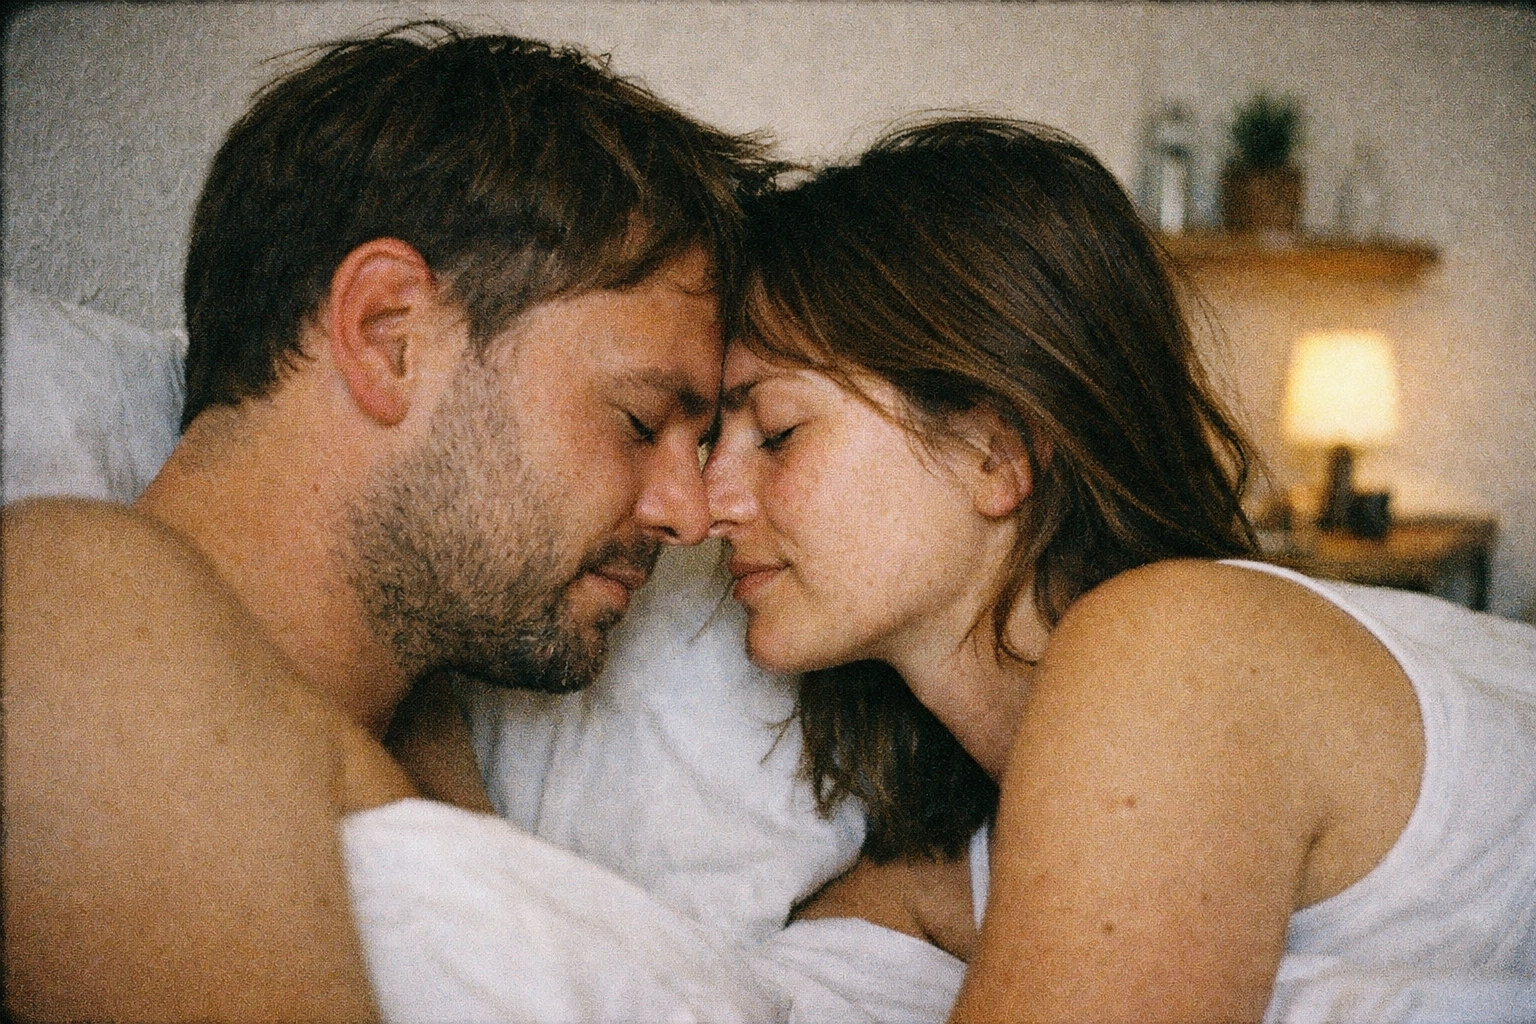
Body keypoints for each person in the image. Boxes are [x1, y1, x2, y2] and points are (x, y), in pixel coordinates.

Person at [2, 22, 780, 1021]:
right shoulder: (78, 610)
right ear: (387, 335)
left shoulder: (411, 739)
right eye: (639, 420)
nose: (688, 512)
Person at [704, 117, 1536, 1021]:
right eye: (716, 438)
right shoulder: (958, 861)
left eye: (777, 433)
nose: (711, 500)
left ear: (997, 452)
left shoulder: (1179, 642)